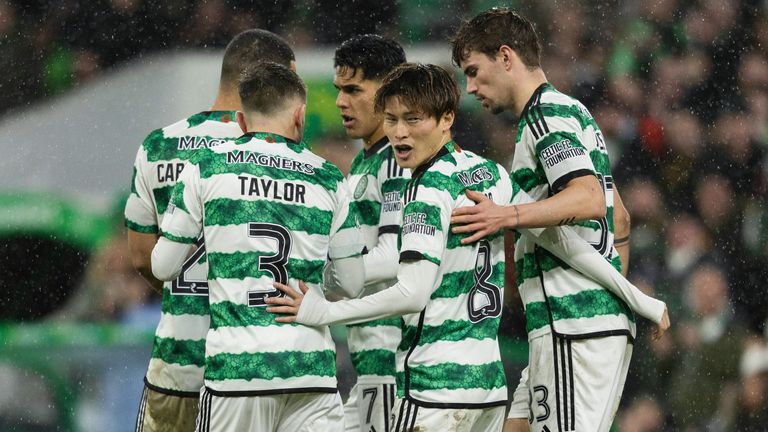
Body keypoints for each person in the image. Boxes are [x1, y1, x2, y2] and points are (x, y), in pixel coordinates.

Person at [265, 63, 668, 432]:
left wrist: (324, 311)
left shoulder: (426, 191)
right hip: (488, 388)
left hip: (435, 390)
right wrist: (636, 298)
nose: (399, 133)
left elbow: (412, 293)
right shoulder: (491, 174)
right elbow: (560, 240)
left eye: (412, 119)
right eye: (391, 120)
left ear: (446, 120)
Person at [450, 9, 669, 431]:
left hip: (573, 328)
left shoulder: (544, 117)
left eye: (474, 71)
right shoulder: (572, 111)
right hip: (569, 323)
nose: (470, 87)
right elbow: (618, 217)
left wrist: (505, 215)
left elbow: (587, 198)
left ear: (506, 56)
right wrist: (610, 294)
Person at [151, 62, 363, 431]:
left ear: (242, 121)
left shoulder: (206, 167)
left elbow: (162, 267)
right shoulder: (329, 177)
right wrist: (309, 274)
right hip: (309, 373)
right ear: (300, 116)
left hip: (238, 372)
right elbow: (352, 283)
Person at [123, 30, 296, 431]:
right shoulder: (277, 155)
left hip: (177, 360)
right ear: (275, 80)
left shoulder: (158, 145)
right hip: (252, 362)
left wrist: (187, 291)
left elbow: (140, 257)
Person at [332, 33, 407, 432]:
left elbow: (397, 255)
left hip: (393, 359)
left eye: (353, 90)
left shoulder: (398, 158)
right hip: (371, 360)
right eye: (338, 90)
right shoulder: (365, 162)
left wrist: (325, 276)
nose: (341, 102)